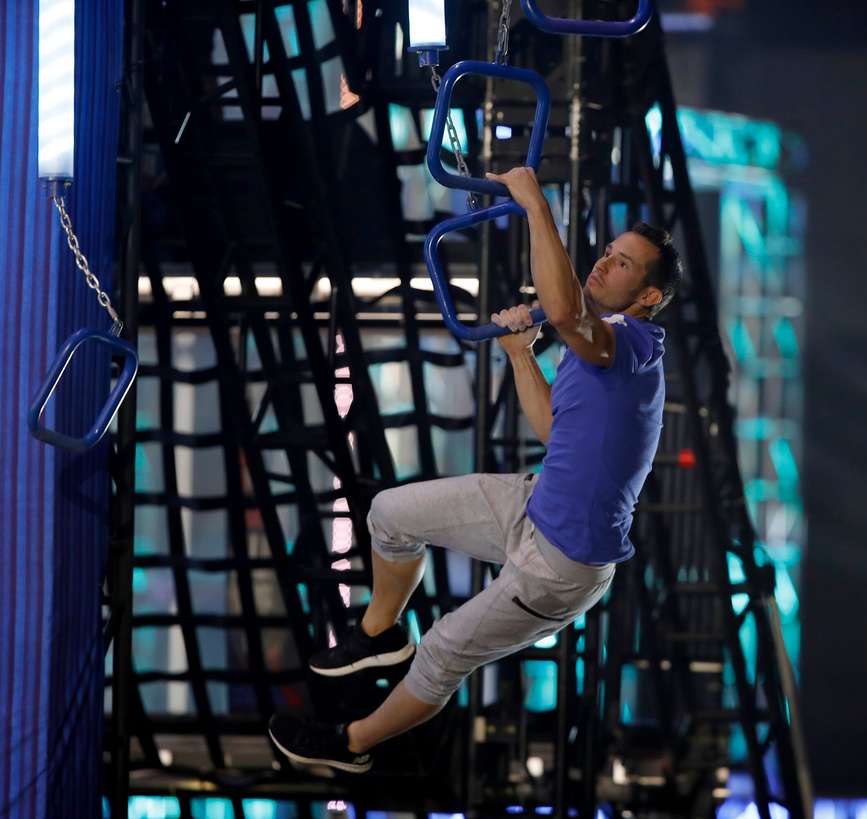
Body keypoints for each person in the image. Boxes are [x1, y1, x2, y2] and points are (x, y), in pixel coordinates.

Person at [268, 167, 683, 773]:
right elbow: (552, 429)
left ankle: (349, 746)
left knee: (441, 655)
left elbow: (566, 312)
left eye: (621, 264)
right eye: (608, 253)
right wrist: (520, 356)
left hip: (564, 565)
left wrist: (536, 205)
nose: (602, 264)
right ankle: (380, 634)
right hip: (534, 504)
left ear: (647, 296)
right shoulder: (596, 346)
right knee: (388, 514)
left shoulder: (636, 345)